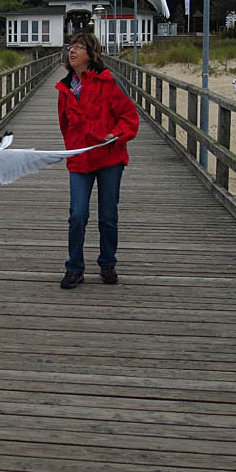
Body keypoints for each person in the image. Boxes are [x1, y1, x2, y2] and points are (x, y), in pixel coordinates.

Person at [55, 31, 139, 289]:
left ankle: (107, 262)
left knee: (108, 215)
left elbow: (130, 117)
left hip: (109, 158)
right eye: (71, 46)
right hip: (80, 160)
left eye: (79, 47)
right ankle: (75, 267)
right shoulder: (64, 88)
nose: (72, 51)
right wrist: (73, 147)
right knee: (77, 214)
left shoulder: (108, 82)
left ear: (90, 55)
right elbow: (64, 125)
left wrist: (115, 134)